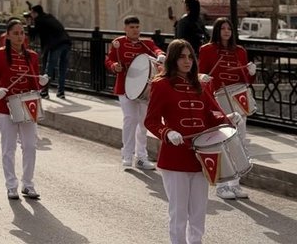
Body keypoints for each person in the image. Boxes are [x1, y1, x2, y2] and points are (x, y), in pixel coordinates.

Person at [145, 39, 237, 244]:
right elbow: (151, 121)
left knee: (198, 210)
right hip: (175, 157)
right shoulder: (161, 85)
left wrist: (228, 118)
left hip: (201, 157)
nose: (187, 61)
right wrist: (167, 132)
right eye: (181, 57)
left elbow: (211, 115)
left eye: (190, 57)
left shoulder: (200, 85)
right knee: (178, 212)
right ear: (172, 59)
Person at [0, 17, 48, 200]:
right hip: (5, 105)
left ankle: (28, 184)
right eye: (15, 33)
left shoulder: (32, 56)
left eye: (22, 33)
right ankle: (11, 185)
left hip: (27, 104)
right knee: (9, 147)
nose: (20, 36)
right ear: (8, 35)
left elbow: (34, 83)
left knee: (30, 146)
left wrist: (41, 82)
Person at [198, 17, 257, 200]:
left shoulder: (240, 51)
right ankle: (222, 185)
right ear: (217, 30)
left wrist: (252, 73)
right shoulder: (207, 50)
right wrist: (202, 77)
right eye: (223, 28)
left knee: (240, 140)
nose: (226, 31)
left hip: (240, 98)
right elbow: (199, 73)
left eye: (229, 29)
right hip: (219, 98)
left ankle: (235, 184)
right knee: (222, 140)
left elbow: (246, 79)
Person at [105, 16, 166, 171]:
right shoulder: (118, 43)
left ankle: (141, 157)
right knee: (130, 119)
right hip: (125, 88)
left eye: (137, 27)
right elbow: (109, 60)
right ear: (125, 29)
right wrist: (114, 66)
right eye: (132, 27)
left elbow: (156, 50)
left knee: (144, 123)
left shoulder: (146, 43)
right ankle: (127, 154)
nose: (135, 30)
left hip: (145, 89)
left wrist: (160, 55)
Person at [27, 4, 71, 99]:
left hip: (55, 45)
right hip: (66, 43)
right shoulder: (49, 17)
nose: (31, 15)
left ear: (35, 13)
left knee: (49, 70)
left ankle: (44, 91)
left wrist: (29, 24)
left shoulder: (39, 20)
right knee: (62, 69)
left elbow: (33, 35)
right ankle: (61, 92)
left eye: (32, 13)